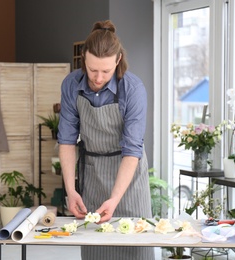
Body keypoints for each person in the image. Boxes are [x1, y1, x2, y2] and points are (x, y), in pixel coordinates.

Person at [57, 20, 154, 260]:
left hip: (128, 178)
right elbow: (67, 141)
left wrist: (115, 198)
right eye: (92, 70)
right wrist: (71, 190)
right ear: (84, 59)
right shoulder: (71, 85)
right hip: (93, 175)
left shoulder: (133, 89)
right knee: (96, 249)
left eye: (106, 71)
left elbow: (133, 150)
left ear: (118, 60)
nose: (98, 77)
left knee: (135, 248)